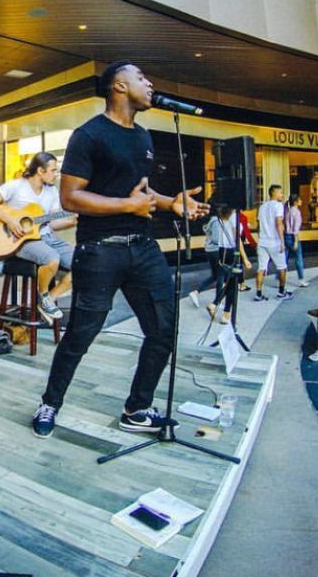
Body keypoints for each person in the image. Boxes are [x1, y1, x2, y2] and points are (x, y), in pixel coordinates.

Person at [31, 61, 209, 439]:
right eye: (141, 77)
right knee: (81, 334)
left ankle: (137, 409)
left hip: (143, 248)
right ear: (119, 86)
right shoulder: (88, 135)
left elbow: (142, 193)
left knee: (163, 329)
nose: (150, 82)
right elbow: (71, 197)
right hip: (99, 250)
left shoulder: (143, 137)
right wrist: (128, 205)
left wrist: (171, 203)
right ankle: (50, 402)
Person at [0, 152, 76, 322]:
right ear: (40, 170)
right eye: (53, 170)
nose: (56, 174)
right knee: (52, 258)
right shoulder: (16, 186)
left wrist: (73, 221)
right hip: (21, 241)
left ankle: (48, 300)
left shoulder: (52, 191)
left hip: (47, 237)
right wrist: (9, 220)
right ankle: (43, 293)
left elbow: (52, 223)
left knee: (83, 261)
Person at [203, 206, 251, 325]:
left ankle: (221, 310)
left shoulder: (222, 215)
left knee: (230, 283)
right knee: (233, 285)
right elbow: (237, 239)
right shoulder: (234, 217)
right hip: (231, 252)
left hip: (222, 251)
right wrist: (245, 258)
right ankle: (222, 311)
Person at [254, 185, 293, 301]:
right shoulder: (278, 206)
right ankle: (281, 292)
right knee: (282, 267)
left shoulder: (262, 207)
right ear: (275, 194)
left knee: (261, 268)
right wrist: (282, 242)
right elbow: (279, 223)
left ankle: (258, 294)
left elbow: (258, 225)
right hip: (274, 242)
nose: (282, 195)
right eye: (281, 192)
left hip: (262, 242)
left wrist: (260, 237)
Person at [284, 193, 308, 288]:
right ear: (295, 202)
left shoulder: (288, 211)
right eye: (300, 200)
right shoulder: (297, 212)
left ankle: (279, 278)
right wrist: (295, 241)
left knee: (284, 259)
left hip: (286, 235)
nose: (301, 201)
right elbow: (296, 229)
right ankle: (301, 279)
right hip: (293, 236)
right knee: (298, 258)